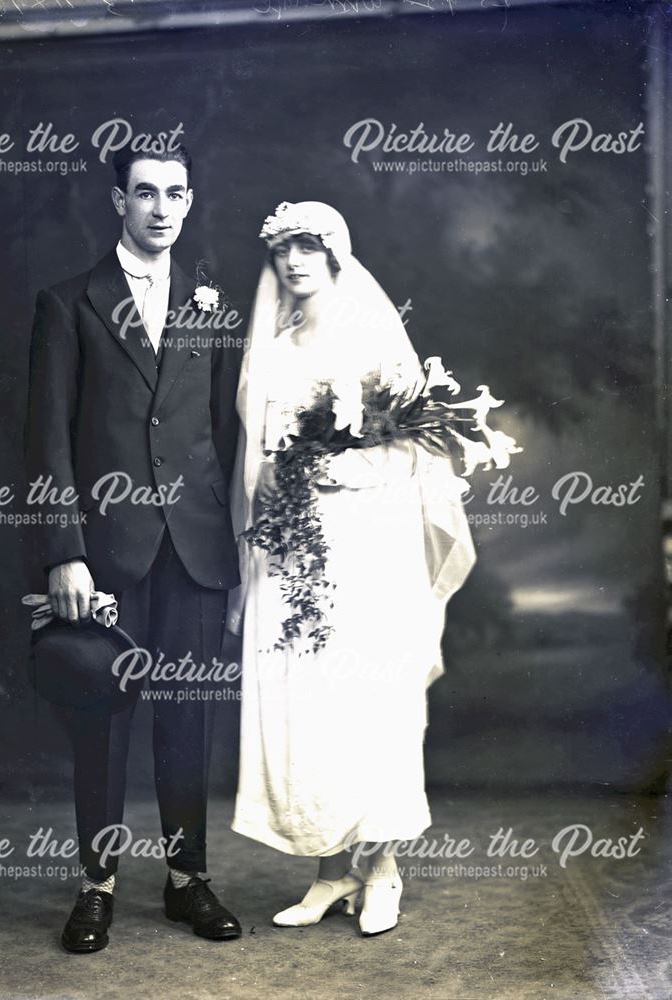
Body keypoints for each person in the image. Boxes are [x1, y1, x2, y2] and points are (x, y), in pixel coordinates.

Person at [229, 201, 476, 936]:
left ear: (335, 253)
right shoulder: (272, 347)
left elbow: (414, 448)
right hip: (295, 549)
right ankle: (329, 874)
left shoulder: (371, 334)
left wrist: (345, 468)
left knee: (368, 701)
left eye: (308, 247)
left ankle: (383, 870)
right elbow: (260, 454)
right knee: (305, 706)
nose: (294, 263)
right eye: (282, 251)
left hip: (366, 544)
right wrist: (274, 477)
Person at [24, 142, 243, 952]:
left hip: (195, 549)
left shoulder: (212, 300)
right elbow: (45, 440)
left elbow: (224, 428)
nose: (161, 208)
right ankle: (97, 886)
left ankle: (188, 882)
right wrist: (62, 552)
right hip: (105, 554)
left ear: (190, 200)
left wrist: (238, 543)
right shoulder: (68, 302)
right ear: (117, 200)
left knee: (187, 726)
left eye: (175, 193)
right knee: (101, 722)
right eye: (144, 192)